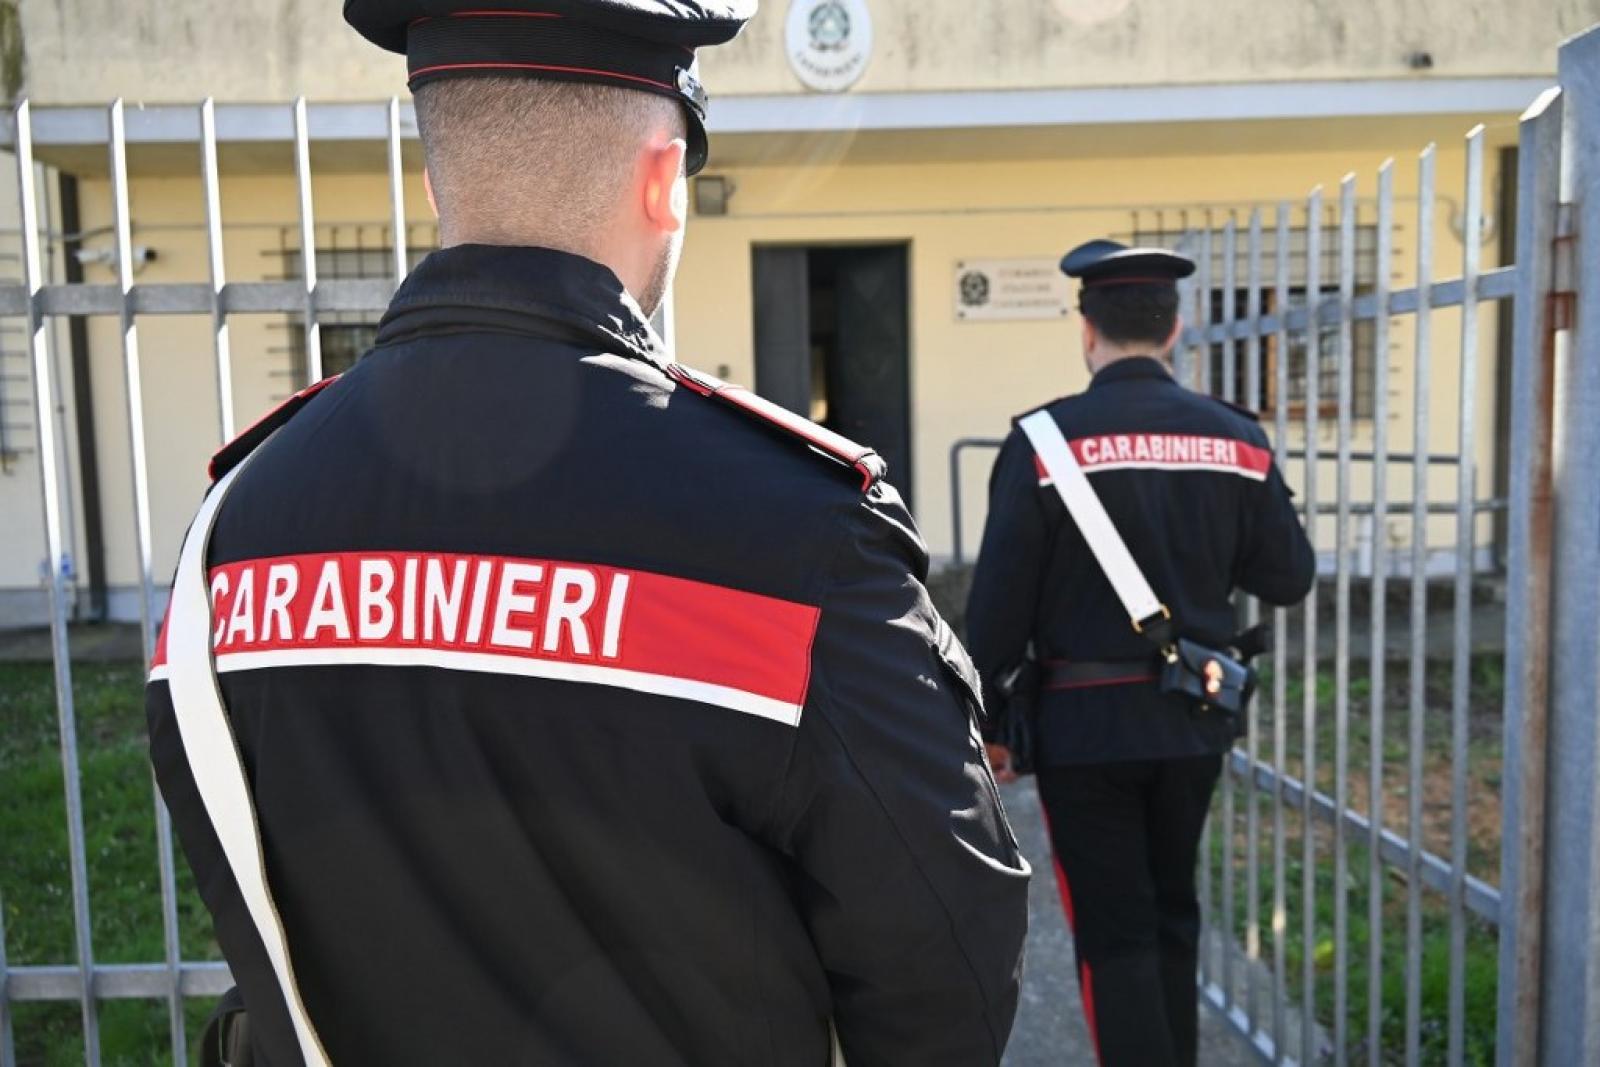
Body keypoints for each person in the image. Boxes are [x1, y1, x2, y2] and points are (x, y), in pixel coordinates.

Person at [144, 3, 1030, 1064]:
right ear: (663, 180)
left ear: (437, 185)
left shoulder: (236, 522)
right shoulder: (794, 527)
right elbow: (945, 949)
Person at [965, 239, 1314, 1067]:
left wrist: (988, 718)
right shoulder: (1238, 438)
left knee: (1113, 927)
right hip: (1194, 715)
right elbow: (1288, 576)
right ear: (1176, 328)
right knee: (1173, 910)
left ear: (1088, 330)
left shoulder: (1043, 442)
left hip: (1085, 730)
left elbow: (996, 615)